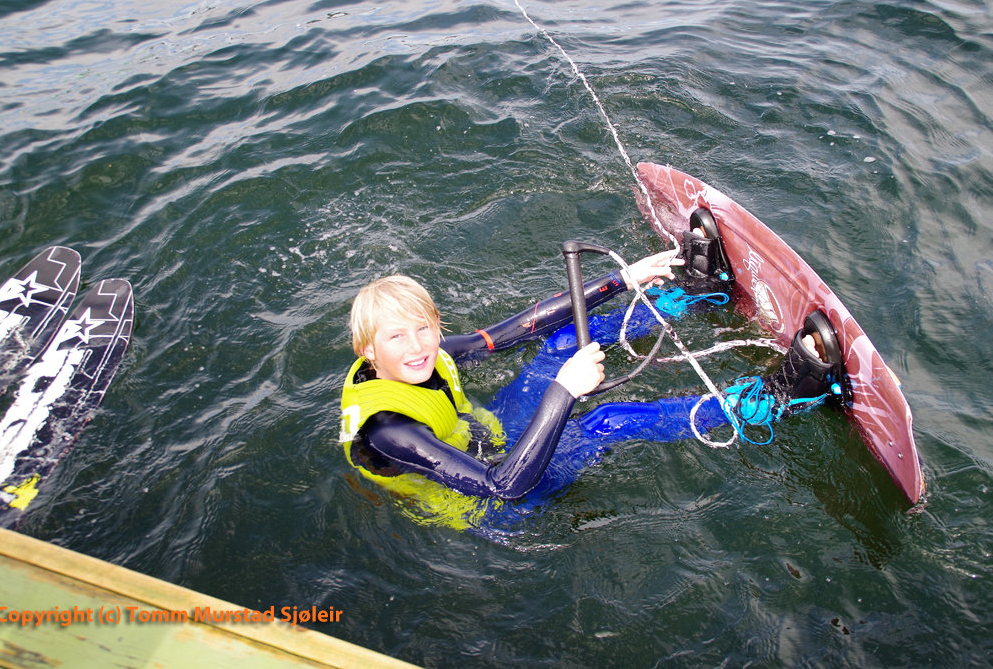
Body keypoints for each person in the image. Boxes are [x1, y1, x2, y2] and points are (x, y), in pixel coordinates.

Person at [339, 211, 847, 529]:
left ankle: (692, 295)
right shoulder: (388, 431)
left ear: (436, 325)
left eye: (424, 330)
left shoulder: (426, 352)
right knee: (610, 420)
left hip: (485, 437)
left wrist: (623, 279)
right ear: (368, 351)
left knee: (561, 342)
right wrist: (563, 391)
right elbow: (502, 486)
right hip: (493, 500)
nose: (417, 348)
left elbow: (518, 329)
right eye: (397, 338)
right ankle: (776, 398)